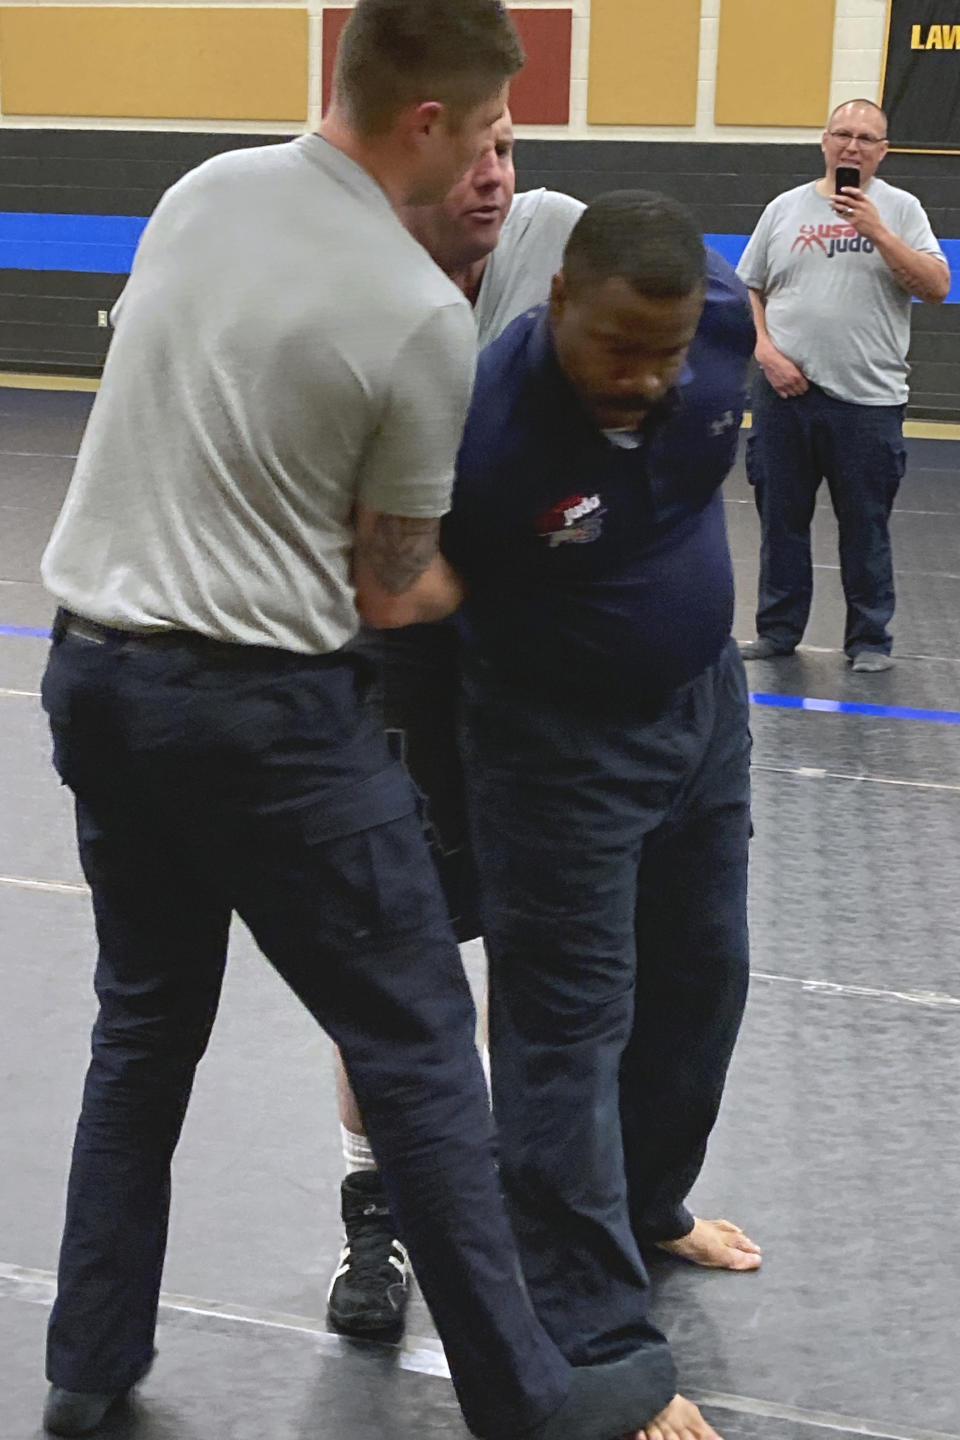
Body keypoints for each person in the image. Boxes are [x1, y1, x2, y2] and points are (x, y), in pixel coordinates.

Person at [34, 3, 705, 1437]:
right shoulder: (412, 319)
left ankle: (89, 1365)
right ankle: (533, 1402)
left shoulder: (201, 191)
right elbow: (396, 591)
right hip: (259, 716)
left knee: (141, 1033)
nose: (491, 167)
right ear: (425, 123)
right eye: (484, 134)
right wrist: (533, 571)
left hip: (91, 678)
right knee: (416, 1053)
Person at [442, 190, 762, 1384]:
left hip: (704, 716)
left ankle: (649, 1204)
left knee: (704, 978)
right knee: (566, 1035)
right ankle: (591, 1330)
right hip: (555, 753)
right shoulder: (489, 439)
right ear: (557, 299)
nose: (641, 378)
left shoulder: (718, 321)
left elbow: (704, 339)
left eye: (664, 355)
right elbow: (415, 621)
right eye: (616, 349)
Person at [328, 108, 585, 1344]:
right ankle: (374, 1216)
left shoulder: (556, 245)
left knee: (535, 949)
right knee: (392, 959)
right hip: (399, 674)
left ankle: (535, 1197)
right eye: (471, 153)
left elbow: (685, 317)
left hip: (526, 686)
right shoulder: (354, 283)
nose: (493, 178)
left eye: (510, 153)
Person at [737, 98, 950, 672]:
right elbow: (748, 288)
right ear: (824, 141)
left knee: (865, 524)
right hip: (784, 397)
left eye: (866, 138)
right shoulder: (784, 208)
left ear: (883, 152)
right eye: (843, 134)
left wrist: (876, 230)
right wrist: (764, 352)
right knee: (780, 520)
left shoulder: (902, 210)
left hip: (868, 401)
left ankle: (869, 639)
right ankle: (778, 631)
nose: (852, 145)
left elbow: (934, 286)